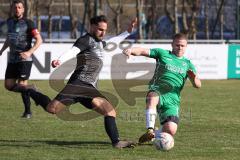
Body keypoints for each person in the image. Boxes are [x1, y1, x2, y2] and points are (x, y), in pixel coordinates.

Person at [27, 15, 137, 148]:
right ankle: (33, 91)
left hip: (90, 88)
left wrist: (128, 32)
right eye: (100, 29)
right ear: (92, 27)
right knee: (52, 109)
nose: (103, 33)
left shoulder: (100, 43)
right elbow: (73, 51)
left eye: (105, 30)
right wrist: (60, 60)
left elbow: (114, 40)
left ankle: (116, 142)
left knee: (110, 111)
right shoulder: (85, 40)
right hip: (78, 84)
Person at [122, 33, 201, 144]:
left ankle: (154, 134)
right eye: (177, 45)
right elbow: (143, 51)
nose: (180, 48)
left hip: (173, 99)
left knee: (171, 130)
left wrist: (193, 79)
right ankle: (149, 129)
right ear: (172, 44)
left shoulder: (188, 64)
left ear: (186, 46)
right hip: (158, 89)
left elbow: (198, 85)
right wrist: (130, 50)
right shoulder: (162, 53)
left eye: (182, 46)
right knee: (152, 97)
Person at [0, 0, 42, 118]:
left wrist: (29, 52)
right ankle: (33, 90)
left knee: (22, 84)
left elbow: (39, 40)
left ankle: (28, 112)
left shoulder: (29, 23)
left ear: (23, 9)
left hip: (24, 59)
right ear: (12, 9)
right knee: (8, 85)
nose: (17, 9)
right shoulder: (9, 22)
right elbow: (9, 38)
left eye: (19, 7)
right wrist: (2, 50)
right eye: (15, 7)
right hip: (12, 59)